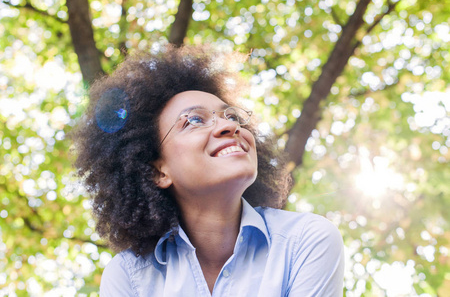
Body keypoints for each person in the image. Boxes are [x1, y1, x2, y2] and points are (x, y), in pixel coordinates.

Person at [72, 45, 344, 297]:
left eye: (232, 116)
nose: (229, 126)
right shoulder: (128, 277)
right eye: (193, 120)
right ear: (158, 172)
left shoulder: (307, 241)